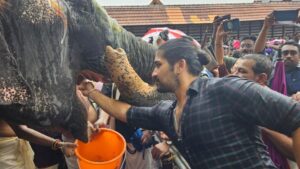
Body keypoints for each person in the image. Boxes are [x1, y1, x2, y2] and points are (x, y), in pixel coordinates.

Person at [79, 37, 300, 168]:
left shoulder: (226, 88)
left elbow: (296, 116)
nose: (153, 73)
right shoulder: (168, 113)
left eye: (158, 65)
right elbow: (127, 112)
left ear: (179, 65)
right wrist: (91, 92)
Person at [231, 54, 295, 169]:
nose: (233, 75)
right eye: (233, 70)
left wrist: (264, 126)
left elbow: (294, 150)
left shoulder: (277, 105)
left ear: (261, 78)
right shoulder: (228, 98)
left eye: (241, 71)